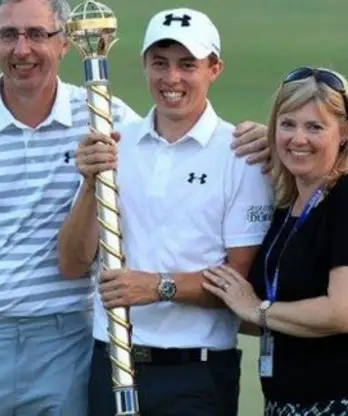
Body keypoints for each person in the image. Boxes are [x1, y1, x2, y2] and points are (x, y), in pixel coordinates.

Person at [0, 0, 271, 415]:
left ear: (65, 45)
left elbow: (179, 136)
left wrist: (270, 140)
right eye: (8, 35)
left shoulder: (106, 118)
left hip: (68, 343)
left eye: (37, 34)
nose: (22, 49)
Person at [57, 7, 275, 416]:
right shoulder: (115, 145)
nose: (171, 79)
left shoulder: (240, 155)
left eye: (186, 65)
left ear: (215, 68)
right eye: (160, 63)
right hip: (112, 363)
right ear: (143, 65)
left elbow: (238, 280)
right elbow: (71, 263)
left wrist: (158, 286)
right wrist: (90, 185)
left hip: (196, 374)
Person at [203, 67, 348, 415]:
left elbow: (344, 312)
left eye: (315, 127)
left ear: (344, 132)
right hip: (287, 401)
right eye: (288, 124)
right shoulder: (285, 206)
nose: (299, 138)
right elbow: (270, 307)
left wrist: (256, 309)